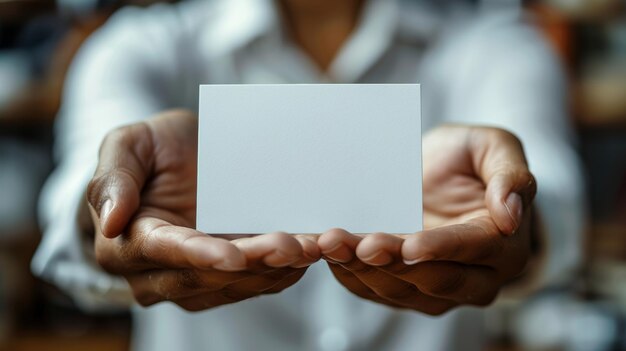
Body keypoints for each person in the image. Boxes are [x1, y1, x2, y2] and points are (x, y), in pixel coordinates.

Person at [32, 0, 585, 350]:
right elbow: (84, 180)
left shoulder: (494, 41)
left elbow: (550, 190)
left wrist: (519, 222)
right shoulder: (140, 44)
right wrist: (107, 219)